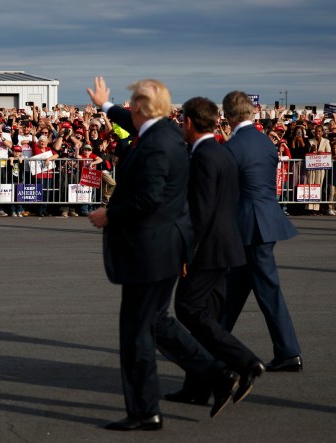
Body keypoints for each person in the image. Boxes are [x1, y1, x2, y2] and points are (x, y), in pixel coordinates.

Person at [86, 77, 235, 431]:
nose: (129, 110)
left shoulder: (156, 143)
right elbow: (129, 120)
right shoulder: (167, 131)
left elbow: (149, 197)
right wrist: (105, 106)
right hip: (164, 247)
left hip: (150, 248)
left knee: (136, 333)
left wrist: (110, 214)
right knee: (155, 322)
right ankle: (217, 373)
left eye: (130, 104)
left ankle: (145, 411)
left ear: (139, 108)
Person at [165, 97, 264, 409]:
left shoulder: (205, 157)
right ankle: (198, 386)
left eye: (182, 121)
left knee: (188, 310)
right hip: (225, 246)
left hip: (208, 249)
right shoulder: (221, 152)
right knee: (207, 318)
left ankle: (245, 362)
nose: (180, 126)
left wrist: (186, 253)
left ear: (191, 122)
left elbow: (201, 212)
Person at [220, 90, 302, 373]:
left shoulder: (233, 147)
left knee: (267, 290)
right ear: (251, 112)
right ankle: (213, 341)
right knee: (234, 287)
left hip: (249, 223)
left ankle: (289, 351)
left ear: (228, 116)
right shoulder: (265, 143)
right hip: (265, 219)